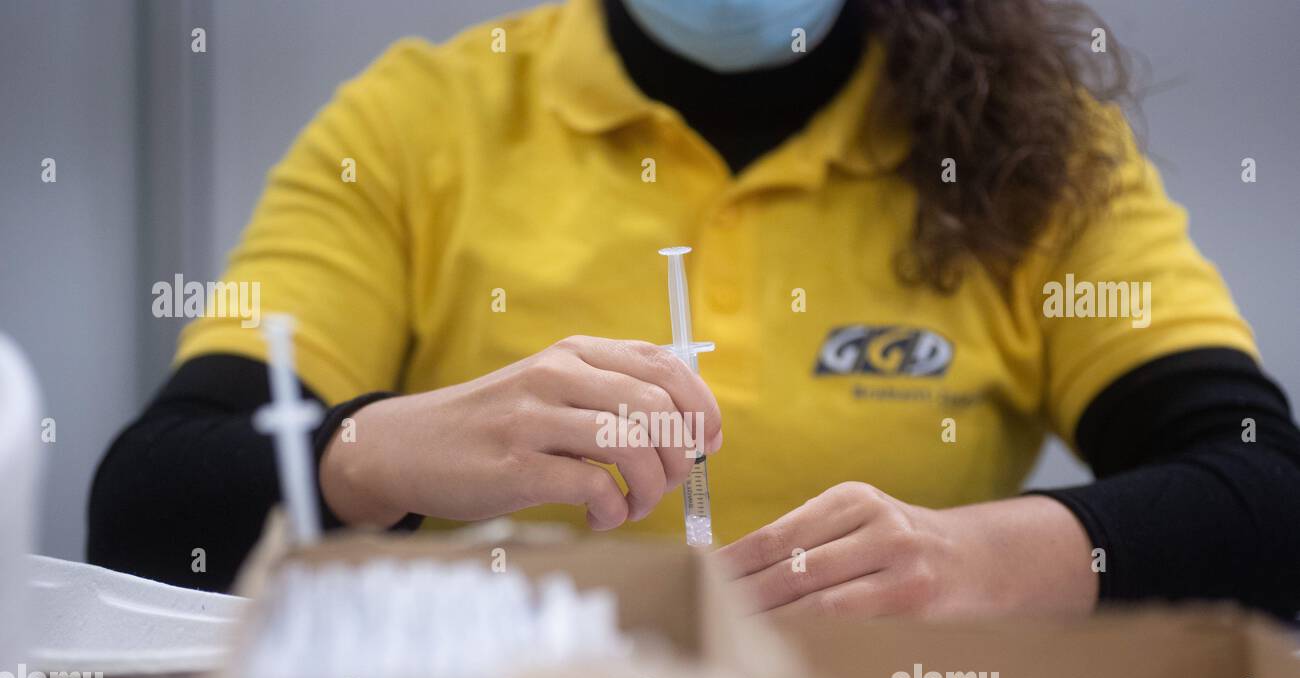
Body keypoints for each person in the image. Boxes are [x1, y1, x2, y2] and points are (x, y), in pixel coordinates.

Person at [89, 0, 1300, 620]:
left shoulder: (1029, 148)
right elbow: (145, 507)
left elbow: (1269, 495)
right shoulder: (411, 127)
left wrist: (979, 558)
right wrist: (387, 448)